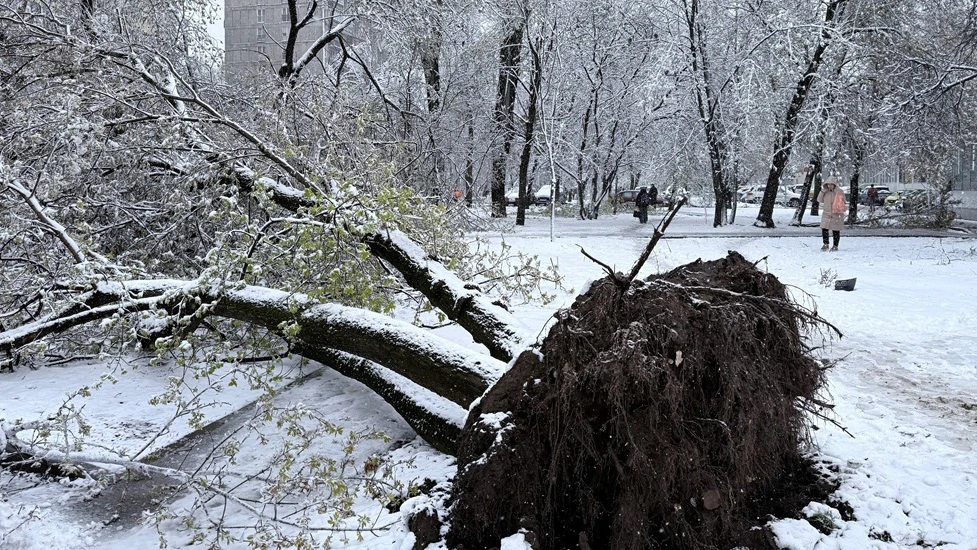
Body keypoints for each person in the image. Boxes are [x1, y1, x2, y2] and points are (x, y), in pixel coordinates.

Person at [817, 177, 846, 251]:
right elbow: (819, 200)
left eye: (831, 184)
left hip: (836, 213)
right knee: (824, 229)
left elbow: (844, 201)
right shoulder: (825, 192)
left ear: (834, 184)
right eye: (828, 184)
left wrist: (837, 193)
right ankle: (825, 244)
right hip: (826, 213)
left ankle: (835, 245)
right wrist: (822, 191)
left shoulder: (839, 191)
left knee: (836, 230)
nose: (830, 186)